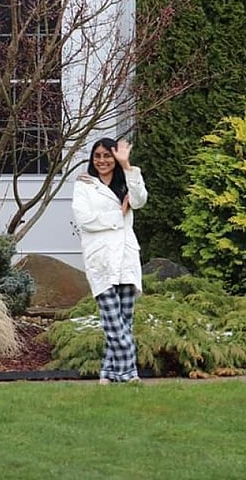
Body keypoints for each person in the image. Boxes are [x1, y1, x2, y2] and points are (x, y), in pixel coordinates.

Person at [72, 137, 148, 384]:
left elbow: (140, 200)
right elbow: (85, 220)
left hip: (125, 258)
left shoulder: (125, 181)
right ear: (92, 159)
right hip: (101, 259)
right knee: (114, 323)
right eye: (97, 156)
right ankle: (130, 374)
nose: (102, 161)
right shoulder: (84, 185)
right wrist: (118, 214)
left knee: (124, 320)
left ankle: (107, 374)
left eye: (107, 156)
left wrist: (127, 166)